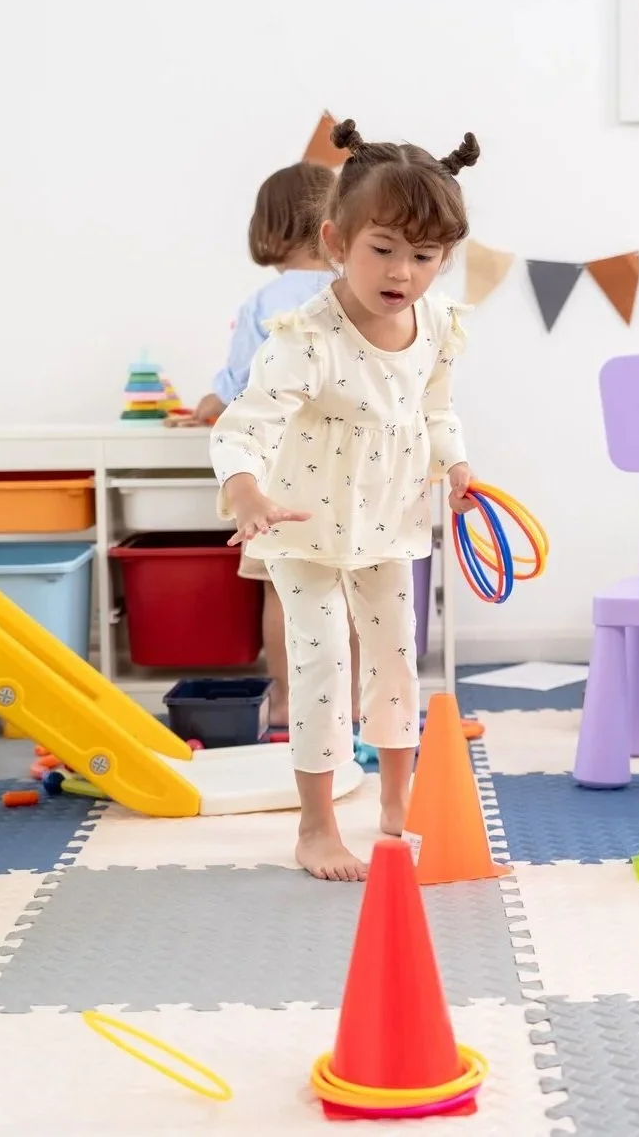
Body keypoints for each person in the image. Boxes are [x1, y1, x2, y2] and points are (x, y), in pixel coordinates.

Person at [210, 118, 479, 881]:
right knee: (323, 664)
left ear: (444, 258)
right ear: (336, 242)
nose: (403, 271)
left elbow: (436, 410)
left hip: (391, 521)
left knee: (396, 663)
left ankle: (396, 807)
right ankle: (317, 826)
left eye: (424, 256)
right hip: (302, 527)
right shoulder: (305, 337)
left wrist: (455, 465)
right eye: (382, 249)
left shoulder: (434, 324)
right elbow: (242, 426)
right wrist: (246, 492)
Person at [191, 161, 359, 729]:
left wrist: (207, 408)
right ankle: (354, 705)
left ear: (268, 228)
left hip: (279, 474)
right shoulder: (359, 289)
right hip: (355, 470)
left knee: (282, 591)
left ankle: (288, 703)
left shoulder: (264, 302)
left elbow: (238, 382)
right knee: (356, 588)